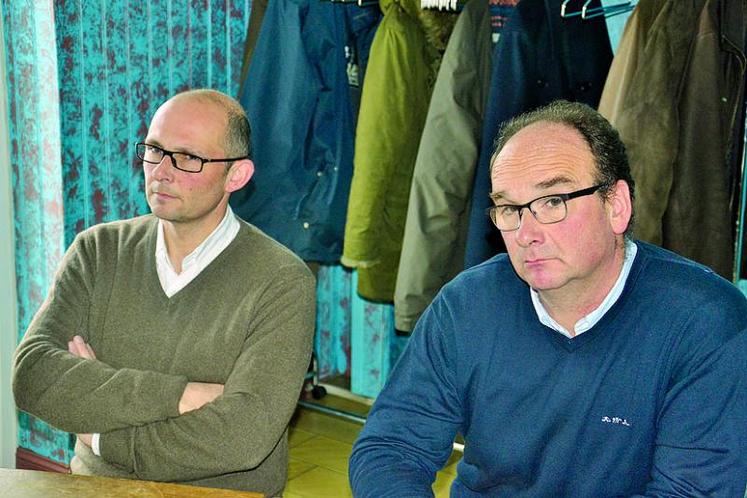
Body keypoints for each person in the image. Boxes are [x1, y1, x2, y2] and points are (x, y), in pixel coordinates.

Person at [349, 100, 747, 497]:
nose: (526, 233)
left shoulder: (706, 323)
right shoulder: (467, 305)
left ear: (617, 206)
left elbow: (691, 492)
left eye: (553, 202)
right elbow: (390, 448)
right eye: (509, 208)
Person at [12, 89, 316, 497]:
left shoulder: (281, 280)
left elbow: (242, 435)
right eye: (154, 150)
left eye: (189, 158)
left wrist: (101, 435)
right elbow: (33, 376)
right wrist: (182, 395)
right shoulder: (98, 251)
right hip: (96, 488)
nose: (161, 171)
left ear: (236, 176)